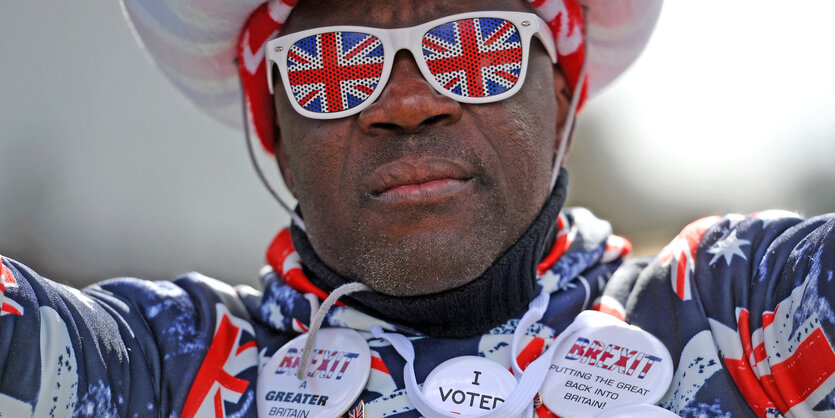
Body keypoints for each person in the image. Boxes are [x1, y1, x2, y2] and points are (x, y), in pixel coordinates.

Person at [1, 0, 834, 417]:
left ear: (561, 99)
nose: (405, 103)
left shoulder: (733, 318)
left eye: (474, 48)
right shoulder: (166, 370)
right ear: (278, 134)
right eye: (335, 63)